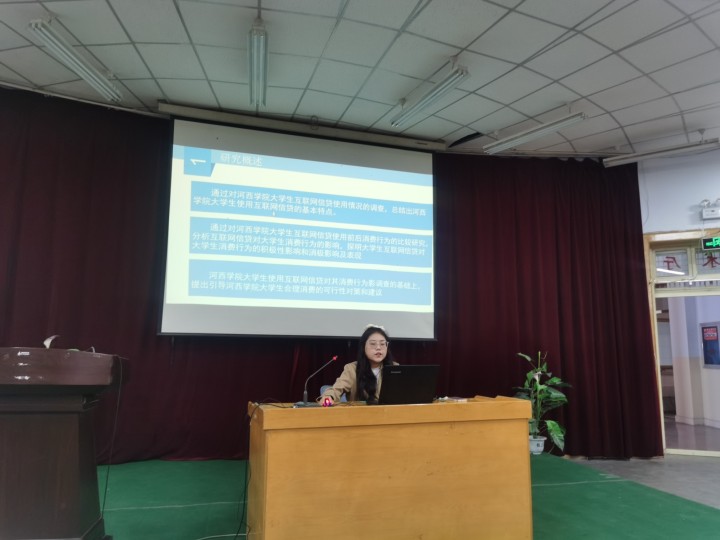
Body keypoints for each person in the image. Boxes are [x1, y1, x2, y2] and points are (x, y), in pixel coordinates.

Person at [318, 324, 397, 405]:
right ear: (363, 346)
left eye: (382, 344)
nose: (378, 348)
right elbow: (337, 389)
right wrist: (329, 396)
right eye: (373, 344)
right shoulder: (352, 369)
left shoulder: (395, 368)